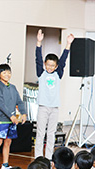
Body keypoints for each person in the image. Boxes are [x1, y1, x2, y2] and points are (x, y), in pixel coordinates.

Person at [34, 29, 74, 159]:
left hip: (54, 107)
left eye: (53, 65)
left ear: (56, 66)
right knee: (40, 133)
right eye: (48, 65)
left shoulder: (58, 73)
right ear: (45, 65)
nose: (50, 67)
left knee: (51, 133)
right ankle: (38, 157)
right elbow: (38, 59)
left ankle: (49, 157)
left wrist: (68, 44)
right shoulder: (41, 72)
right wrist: (39, 42)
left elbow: (63, 60)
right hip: (43, 107)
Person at [0, 64, 27, 169]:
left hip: (12, 120)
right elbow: (1, 104)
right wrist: (11, 116)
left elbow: (19, 101)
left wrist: (23, 113)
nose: (7, 74)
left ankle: (5, 164)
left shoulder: (13, 87)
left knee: (8, 142)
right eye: (4, 72)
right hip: (2, 120)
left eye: (9, 72)